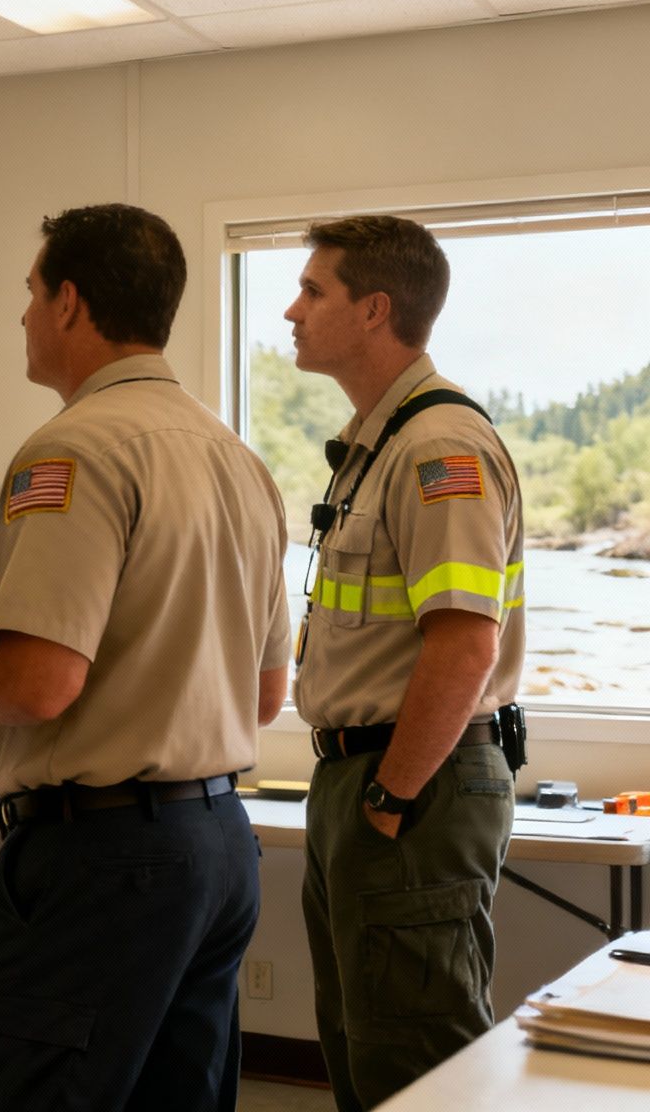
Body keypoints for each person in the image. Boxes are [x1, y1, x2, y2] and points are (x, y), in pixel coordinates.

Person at [0, 203, 290, 1112]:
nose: (24, 315)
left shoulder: (73, 451)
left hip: (104, 858)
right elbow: (267, 695)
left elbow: (38, 685)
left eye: (31, 293)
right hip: (219, 849)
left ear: (70, 302)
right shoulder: (238, 458)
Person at [286, 215, 524, 1111]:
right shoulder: (382, 442)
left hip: (409, 781)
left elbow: (466, 642)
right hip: (368, 776)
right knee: (363, 1049)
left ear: (375, 309)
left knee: (416, 1069)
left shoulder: (437, 448)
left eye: (315, 291)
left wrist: (388, 800)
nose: (292, 311)